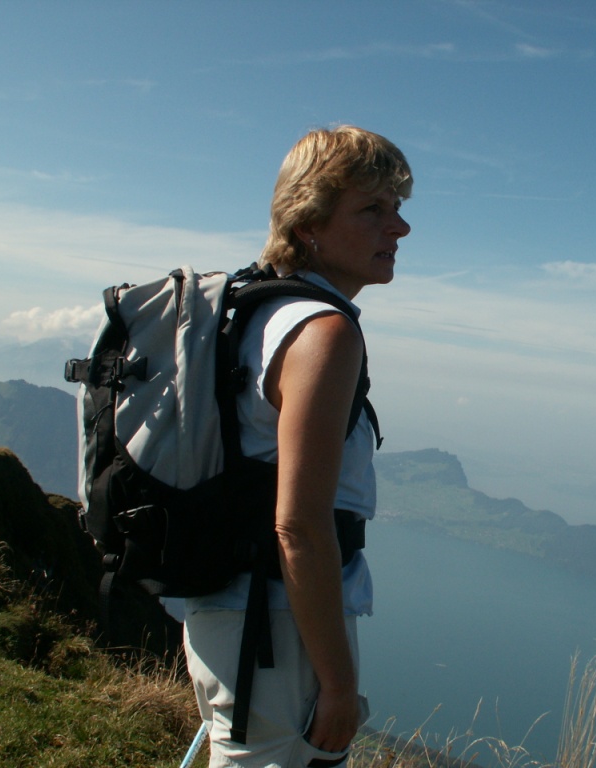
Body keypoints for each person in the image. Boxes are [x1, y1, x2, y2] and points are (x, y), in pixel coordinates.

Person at [183, 125, 413, 768]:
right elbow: (301, 528)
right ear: (309, 222)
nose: (399, 229)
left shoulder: (254, 310)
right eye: (372, 209)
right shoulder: (324, 332)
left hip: (231, 615)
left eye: (397, 208)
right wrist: (338, 684)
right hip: (278, 633)